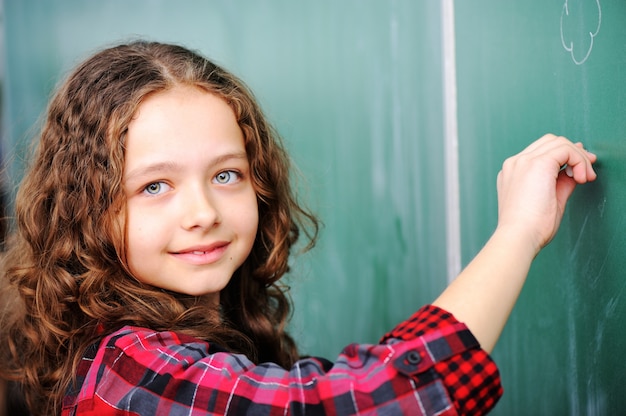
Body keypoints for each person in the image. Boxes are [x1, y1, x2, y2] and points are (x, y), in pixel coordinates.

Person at [0, 41, 597, 416]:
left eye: (227, 175)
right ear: (88, 208)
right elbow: (352, 405)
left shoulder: (184, 341)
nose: (203, 211)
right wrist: (516, 233)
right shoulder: (135, 369)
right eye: (155, 186)